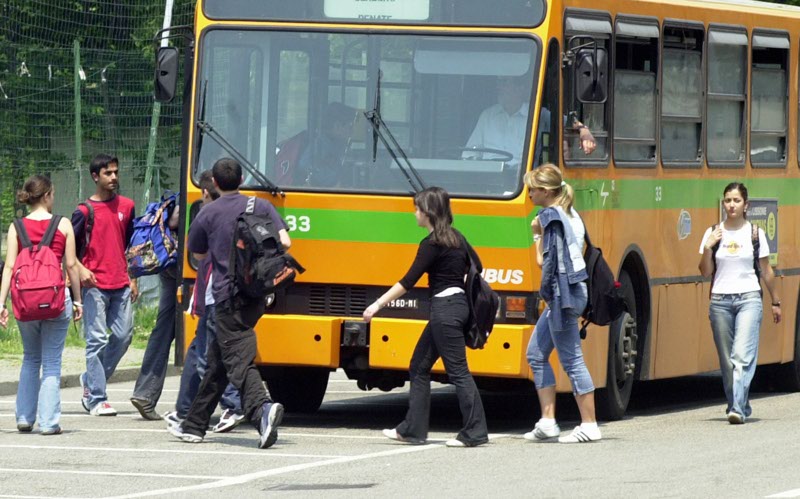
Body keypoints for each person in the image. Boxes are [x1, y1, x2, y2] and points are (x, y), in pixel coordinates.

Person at [168, 158, 289, 448]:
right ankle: (195, 425)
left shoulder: (207, 214)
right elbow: (285, 243)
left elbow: (196, 254)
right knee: (218, 361)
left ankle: (262, 409)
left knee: (238, 360)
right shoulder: (260, 206)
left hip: (226, 296)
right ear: (242, 178)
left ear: (215, 184)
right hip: (257, 295)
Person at [364, 186, 489, 448]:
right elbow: (478, 267)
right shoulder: (458, 238)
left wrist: (376, 305)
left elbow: (408, 281)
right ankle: (412, 429)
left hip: (445, 312)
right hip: (455, 308)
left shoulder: (431, 244)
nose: (415, 214)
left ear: (428, 212)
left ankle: (474, 432)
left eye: (417, 208)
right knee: (418, 367)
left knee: (458, 372)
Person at [523, 164, 601, 443]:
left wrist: (535, 234)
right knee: (535, 353)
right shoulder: (571, 213)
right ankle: (547, 422)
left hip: (562, 296)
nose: (529, 193)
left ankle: (589, 424)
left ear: (545, 192)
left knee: (572, 360)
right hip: (570, 292)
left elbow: (544, 262)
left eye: (532, 188)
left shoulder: (549, 217)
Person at [0, 175, 83, 435]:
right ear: (47, 195)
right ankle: (49, 423)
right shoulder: (63, 225)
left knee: (30, 358)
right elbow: (71, 266)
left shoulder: (16, 227)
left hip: (25, 302)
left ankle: (24, 418)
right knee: (51, 361)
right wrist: (78, 300)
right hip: (57, 299)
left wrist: (1, 302)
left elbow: (10, 267)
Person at [164, 170, 244, 433]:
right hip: (224, 292)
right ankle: (185, 410)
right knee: (199, 350)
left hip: (215, 294)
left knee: (213, 357)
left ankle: (232, 404)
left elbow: (197, 254)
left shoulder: (208, 216)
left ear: (208, 192)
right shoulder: (240, 211)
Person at [698, 182, 781, 425]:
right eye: (727, 200)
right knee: (726, 361)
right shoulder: (713, 232)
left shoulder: (755, 233)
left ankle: (736, 408)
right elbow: (705, 272)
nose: (731, 205)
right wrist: (707, 246)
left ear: (746, 205)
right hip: (720, 301)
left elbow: (766, 270)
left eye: (736, 201)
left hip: (749, 298)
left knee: (741, 355)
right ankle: (740, 403)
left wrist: (776, 301)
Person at [72, 153, 138, 416]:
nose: (113, 177)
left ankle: (90, 378)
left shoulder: (128, 206)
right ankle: (96, 397)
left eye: (115, 172)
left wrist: (133, 278)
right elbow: (69, 250)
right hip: (94, 286)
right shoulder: (83, 211)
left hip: (121, 283)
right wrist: (80, 270)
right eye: (108, 173)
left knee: (123, 336)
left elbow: (133, 246)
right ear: (95, 176)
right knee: (97, 340)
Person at [465, 76, 597, 166]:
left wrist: (584, 132)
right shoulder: (487, 115)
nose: (500, 88)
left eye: (506, 83)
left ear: (521, 88)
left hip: (523, 181)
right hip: (490, 180)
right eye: (500, 83)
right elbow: (470, 152)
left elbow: (567, 123)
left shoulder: (538, 114)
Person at [129, 201, 181, 420]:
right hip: (187, 267)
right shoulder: (203, 194)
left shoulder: (177, 197)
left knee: (163, 329)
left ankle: (145, 393)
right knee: (213, 330)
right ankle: (230, 402)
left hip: (169, 266)